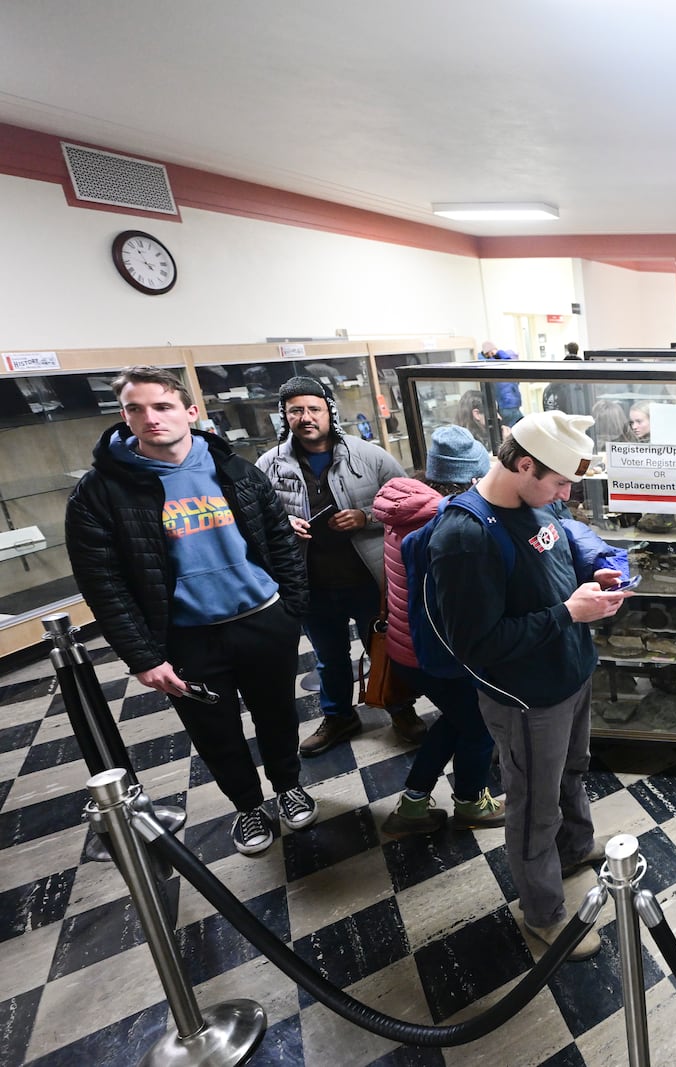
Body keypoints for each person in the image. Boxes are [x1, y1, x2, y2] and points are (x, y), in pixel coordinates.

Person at [65, 366, 317, 856]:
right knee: (215, 732)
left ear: (190, 411)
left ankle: (288, 787)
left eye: (161, 406)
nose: (149, 418)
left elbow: (280, 543)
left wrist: (291, 608)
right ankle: (247, 807)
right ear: (123, 416)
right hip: (186, 637)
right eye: (135, 409)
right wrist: (143, 657)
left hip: (263, 620)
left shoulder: (234, 468)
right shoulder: (100, 492)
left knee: (277, 716)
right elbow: (104, 584)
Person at [428, 410, 629, 958]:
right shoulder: (465, 536)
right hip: (525, 697)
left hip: (569, 671)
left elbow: (562, 536)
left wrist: (597, 566)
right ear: (522, 465)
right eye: (560, 482)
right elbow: (478, 644)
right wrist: (569, 612)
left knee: (572, 770)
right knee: (533, 803)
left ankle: (574, 848)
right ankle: (542, 910)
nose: (565, 494)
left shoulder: (537, 500)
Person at [256, 377, 423, 755]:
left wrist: (366, 517)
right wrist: (282, 527)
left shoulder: (372, 456)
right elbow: (254, 520)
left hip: (368, 579)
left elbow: (411, 505)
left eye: (314, 409)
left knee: (384, 647)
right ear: (284, 416)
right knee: (329, 659)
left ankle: (400, 708)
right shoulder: (269, 464)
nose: (305, 417)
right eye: (296, 410)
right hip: (310, 582)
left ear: (329, 411)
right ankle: (339, 716)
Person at [373, 426, 506, 837]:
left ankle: (413, 804)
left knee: (455, 720)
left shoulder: (404, 506)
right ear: (470, 479)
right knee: (479, 724)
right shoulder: (445, 523)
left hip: (406, 645)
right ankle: (470, 801)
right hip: (438, 650)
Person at [478, 340, 525, 427]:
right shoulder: (490, 365)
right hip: (506, 406)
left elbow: (509, 362)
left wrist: (497, 353)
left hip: (510, 405)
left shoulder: (502, 363)